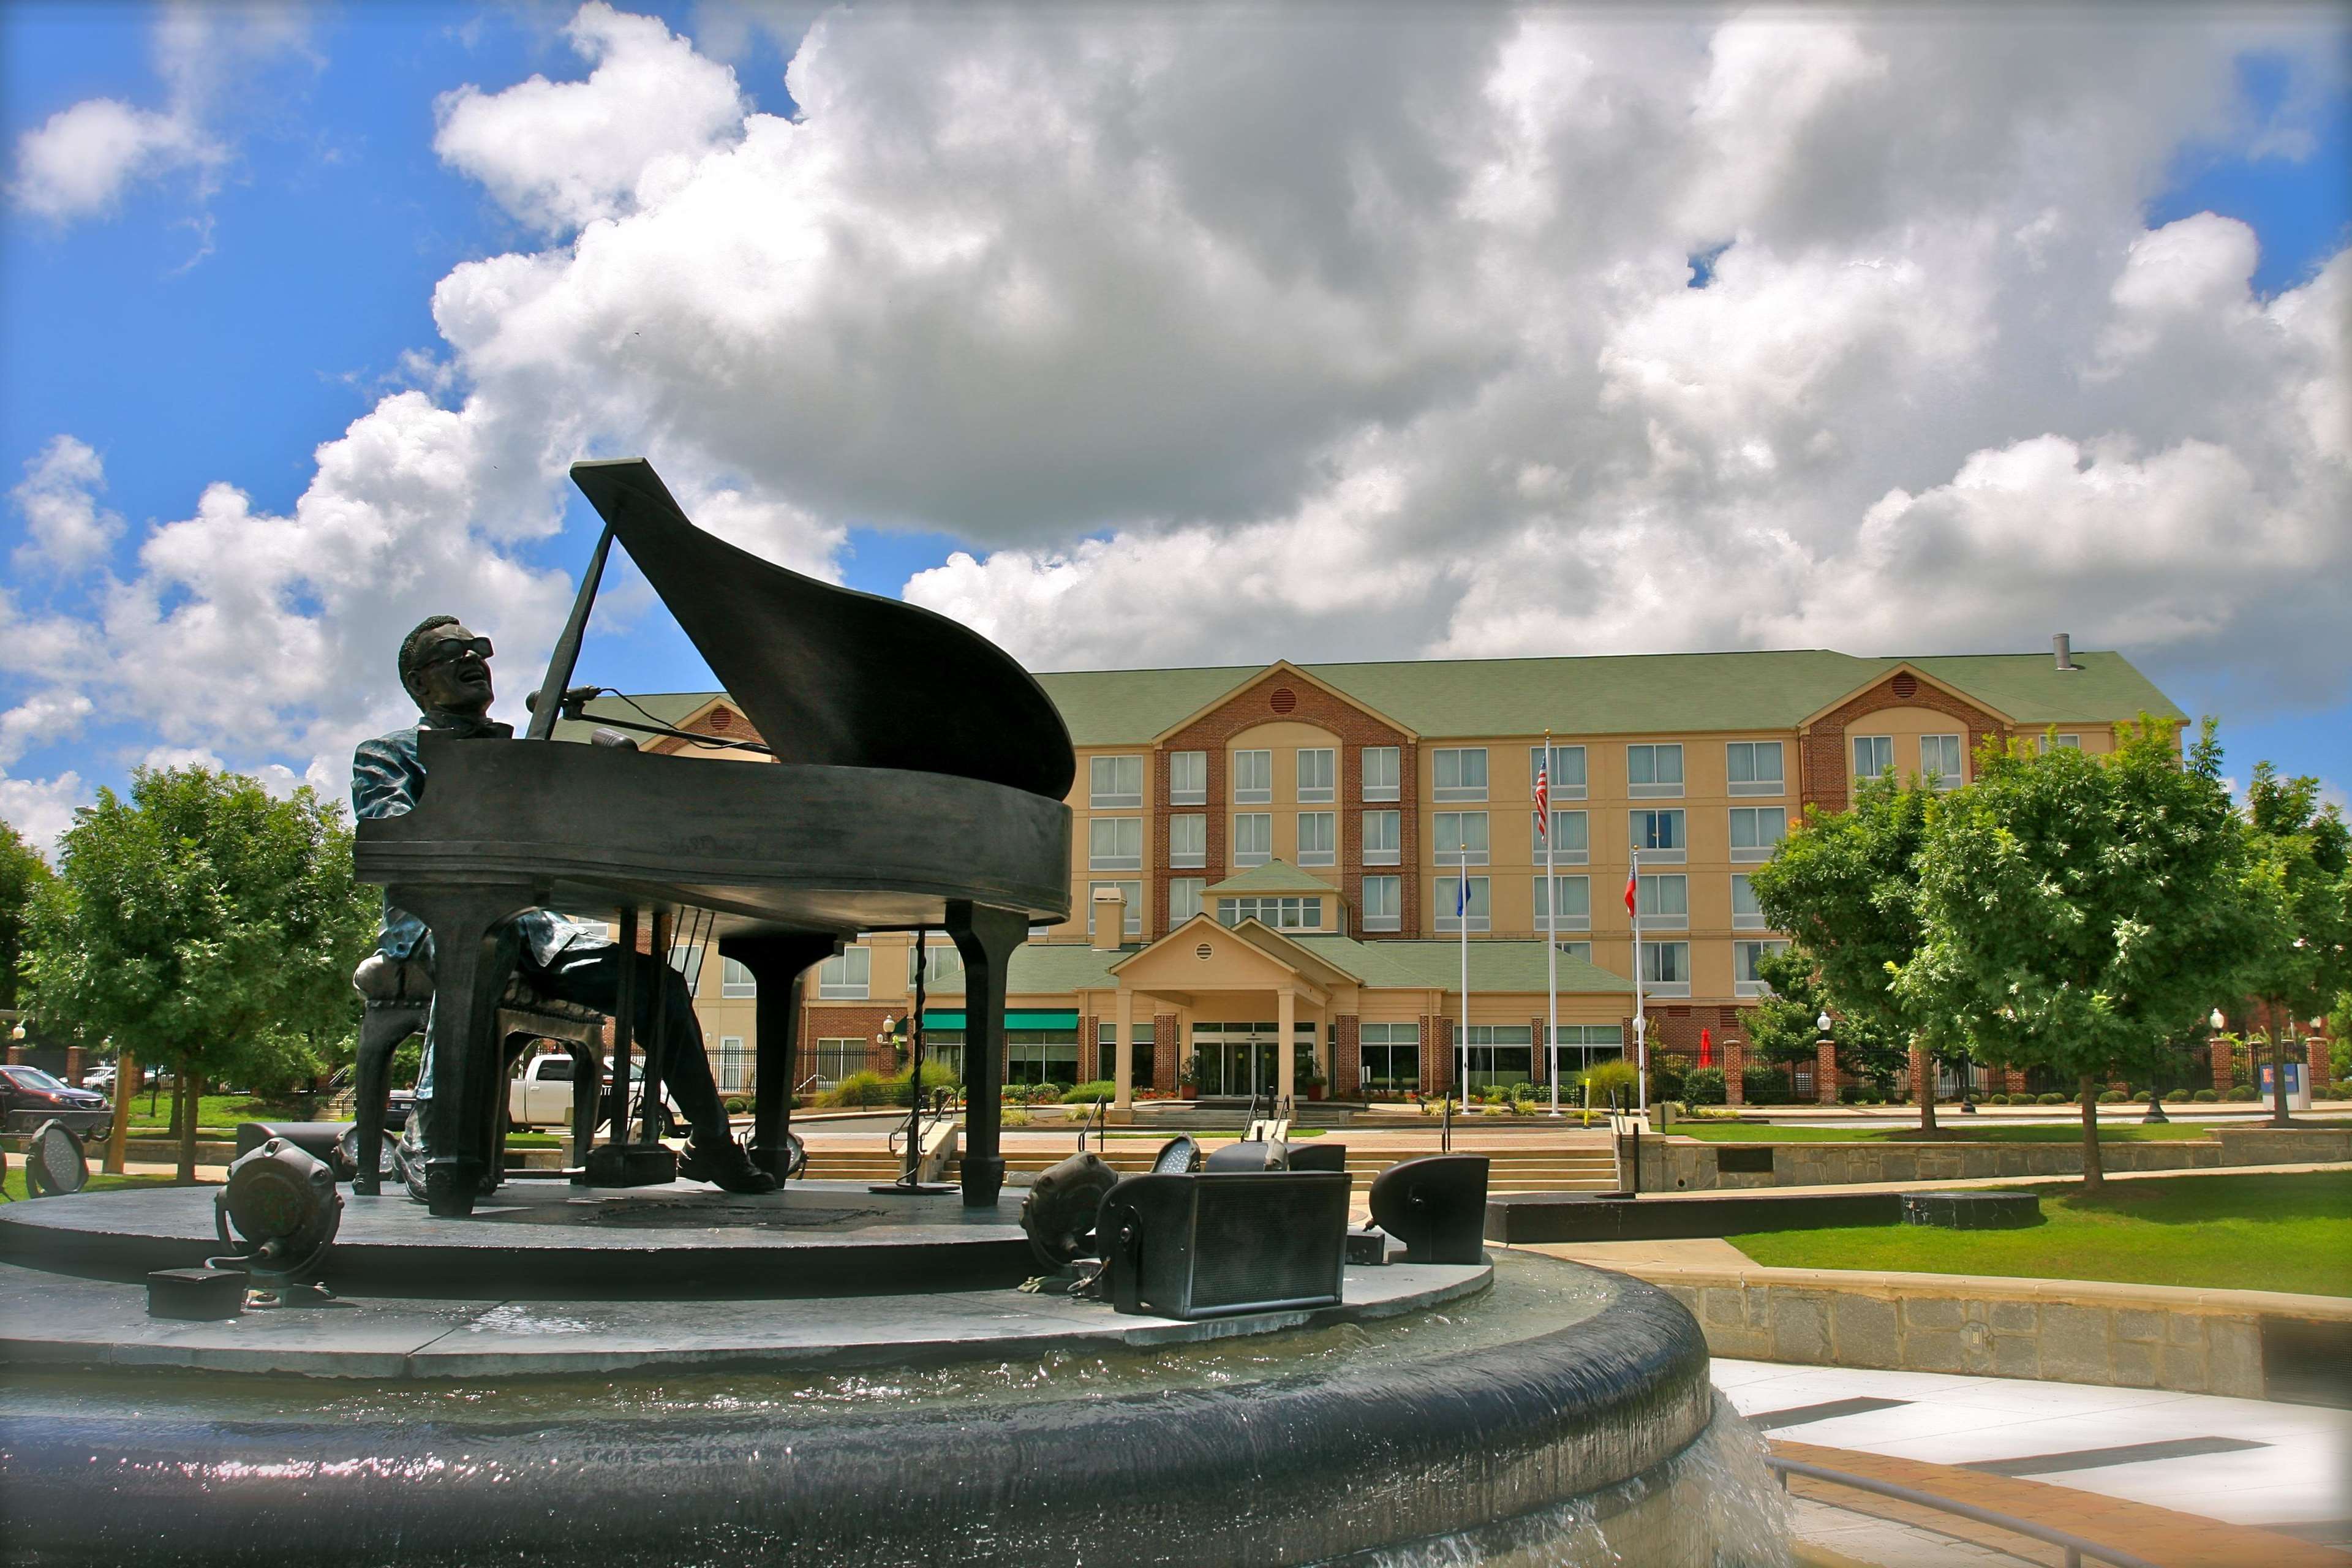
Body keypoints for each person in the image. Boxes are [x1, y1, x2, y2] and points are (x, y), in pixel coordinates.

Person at [353, 613, 775, 1196]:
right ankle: (430, 1138)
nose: (474, 658)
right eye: (453, 652)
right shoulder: (387, 753)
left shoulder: (526, 755)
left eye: (480, 648)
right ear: (420, 683)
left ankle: (713, 1144)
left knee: (659, 985)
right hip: (435, 921)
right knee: (480, 943)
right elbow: (391, 835)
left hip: (539, 930)